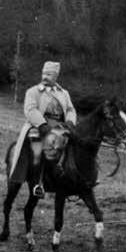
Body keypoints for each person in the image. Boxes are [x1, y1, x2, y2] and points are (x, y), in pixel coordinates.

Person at [20, 61, 77, 198]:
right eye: (44, 74)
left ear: (56, 76)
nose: (45, 77)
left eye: (49, 74)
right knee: (38, 150)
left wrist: (69, 121)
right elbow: (30, 109)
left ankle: (75, 180)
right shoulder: (33, 91)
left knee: (76, 145)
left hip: (60, 127)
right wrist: (42, 124)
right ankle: (38, 184)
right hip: (39, 126)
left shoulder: (64, 93)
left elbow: (70, 109)